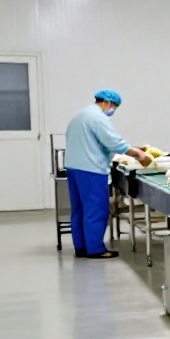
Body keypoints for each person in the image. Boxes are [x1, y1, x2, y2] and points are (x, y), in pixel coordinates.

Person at [64, 89, 150, 259]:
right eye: (114, 108)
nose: (112, 111)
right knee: (95, 209)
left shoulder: (80, 115)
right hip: (91, 170)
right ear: (108, 103)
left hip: (74, 168)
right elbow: (113, 142)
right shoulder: (98, 117)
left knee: (79, 210)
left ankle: (81, 247)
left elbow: (94, 142)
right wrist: (137, 153)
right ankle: (95, 249)